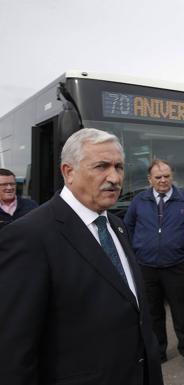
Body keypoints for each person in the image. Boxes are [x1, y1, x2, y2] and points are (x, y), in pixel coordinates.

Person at [0, 128, 163, 385]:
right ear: (68, 172)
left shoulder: (116, 225)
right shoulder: (29, 235)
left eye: (119, 167)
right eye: (101, 166)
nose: (115, 177)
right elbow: (13, 352)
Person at [124, 159, 184, 371]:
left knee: (182, 312)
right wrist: (134, 254)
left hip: (177, 266)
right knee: (152, 313)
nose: (162, 180)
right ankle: (158, 351)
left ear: (172, 177)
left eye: (166, 176)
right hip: (146, 267)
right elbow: (127, 227)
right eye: (158, 177)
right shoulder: (139, 201)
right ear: (150, 179)